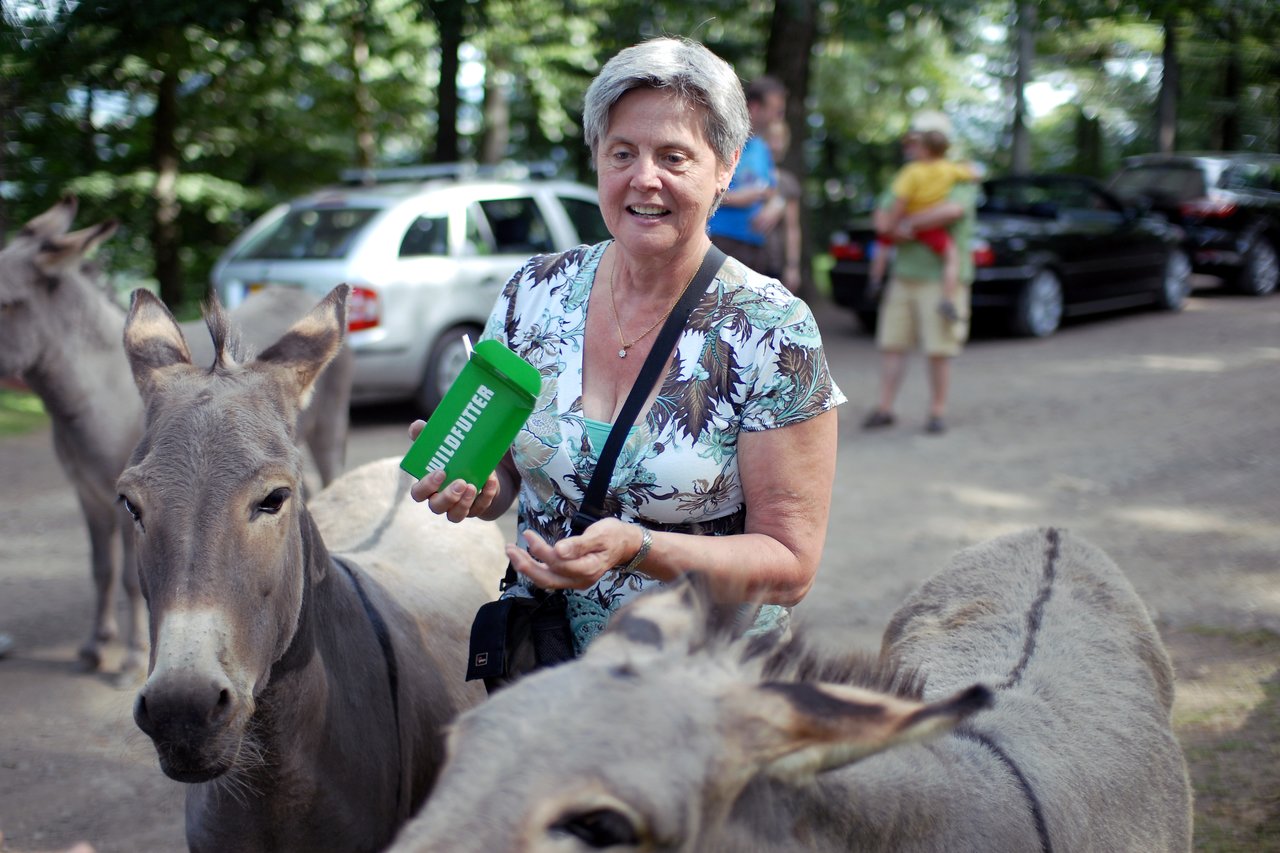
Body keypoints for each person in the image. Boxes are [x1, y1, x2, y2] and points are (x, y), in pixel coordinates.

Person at [409, 37, 844, 664]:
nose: (645, 178)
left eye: (674, 156)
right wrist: (476, 486)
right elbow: (507, 472)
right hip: (549, 669)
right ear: (597, 160)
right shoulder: (534, 291)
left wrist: (639, 548)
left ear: (725, 167)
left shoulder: (772, 329)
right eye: (622, 153)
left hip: (703, 687)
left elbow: (789, 566)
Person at [862, 111, 977, 435]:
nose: (909, 145)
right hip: (905, 275)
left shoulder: (958, 177)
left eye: (915, 139)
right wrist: (904, 224)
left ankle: (937, 412)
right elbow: (882, 219)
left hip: (940, 280)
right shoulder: (909, 173)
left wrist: (907, 223)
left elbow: (952, 210)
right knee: (892, 343)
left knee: (939, 347)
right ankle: (885, 408)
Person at [867, 125, 977, 319]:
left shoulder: (912, 171)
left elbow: (900, 200)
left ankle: (875, 280)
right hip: (930, 229)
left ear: (924, 149)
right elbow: (974, 173)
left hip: (906, 220)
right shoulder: (949, 169)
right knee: (952, 257)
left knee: (882, 247)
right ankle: (947, 299)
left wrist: (893, 226)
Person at [705, 75, 788, 275]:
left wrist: (776, 205)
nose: (779, 118)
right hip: (720, 243)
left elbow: (771, 191)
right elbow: (697, 188)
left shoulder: (762, 148)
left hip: (756, 248)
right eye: (775, 111)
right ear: (755, 108)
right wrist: (734, 198)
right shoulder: (721, 141)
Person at [754, 119, 803, 293]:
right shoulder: (744, 175)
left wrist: (792, 266)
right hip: (741, 257)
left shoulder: (787, 182)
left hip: (773, 263)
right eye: (771, 139)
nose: (776, 145)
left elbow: (792, 228)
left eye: (780, 139)